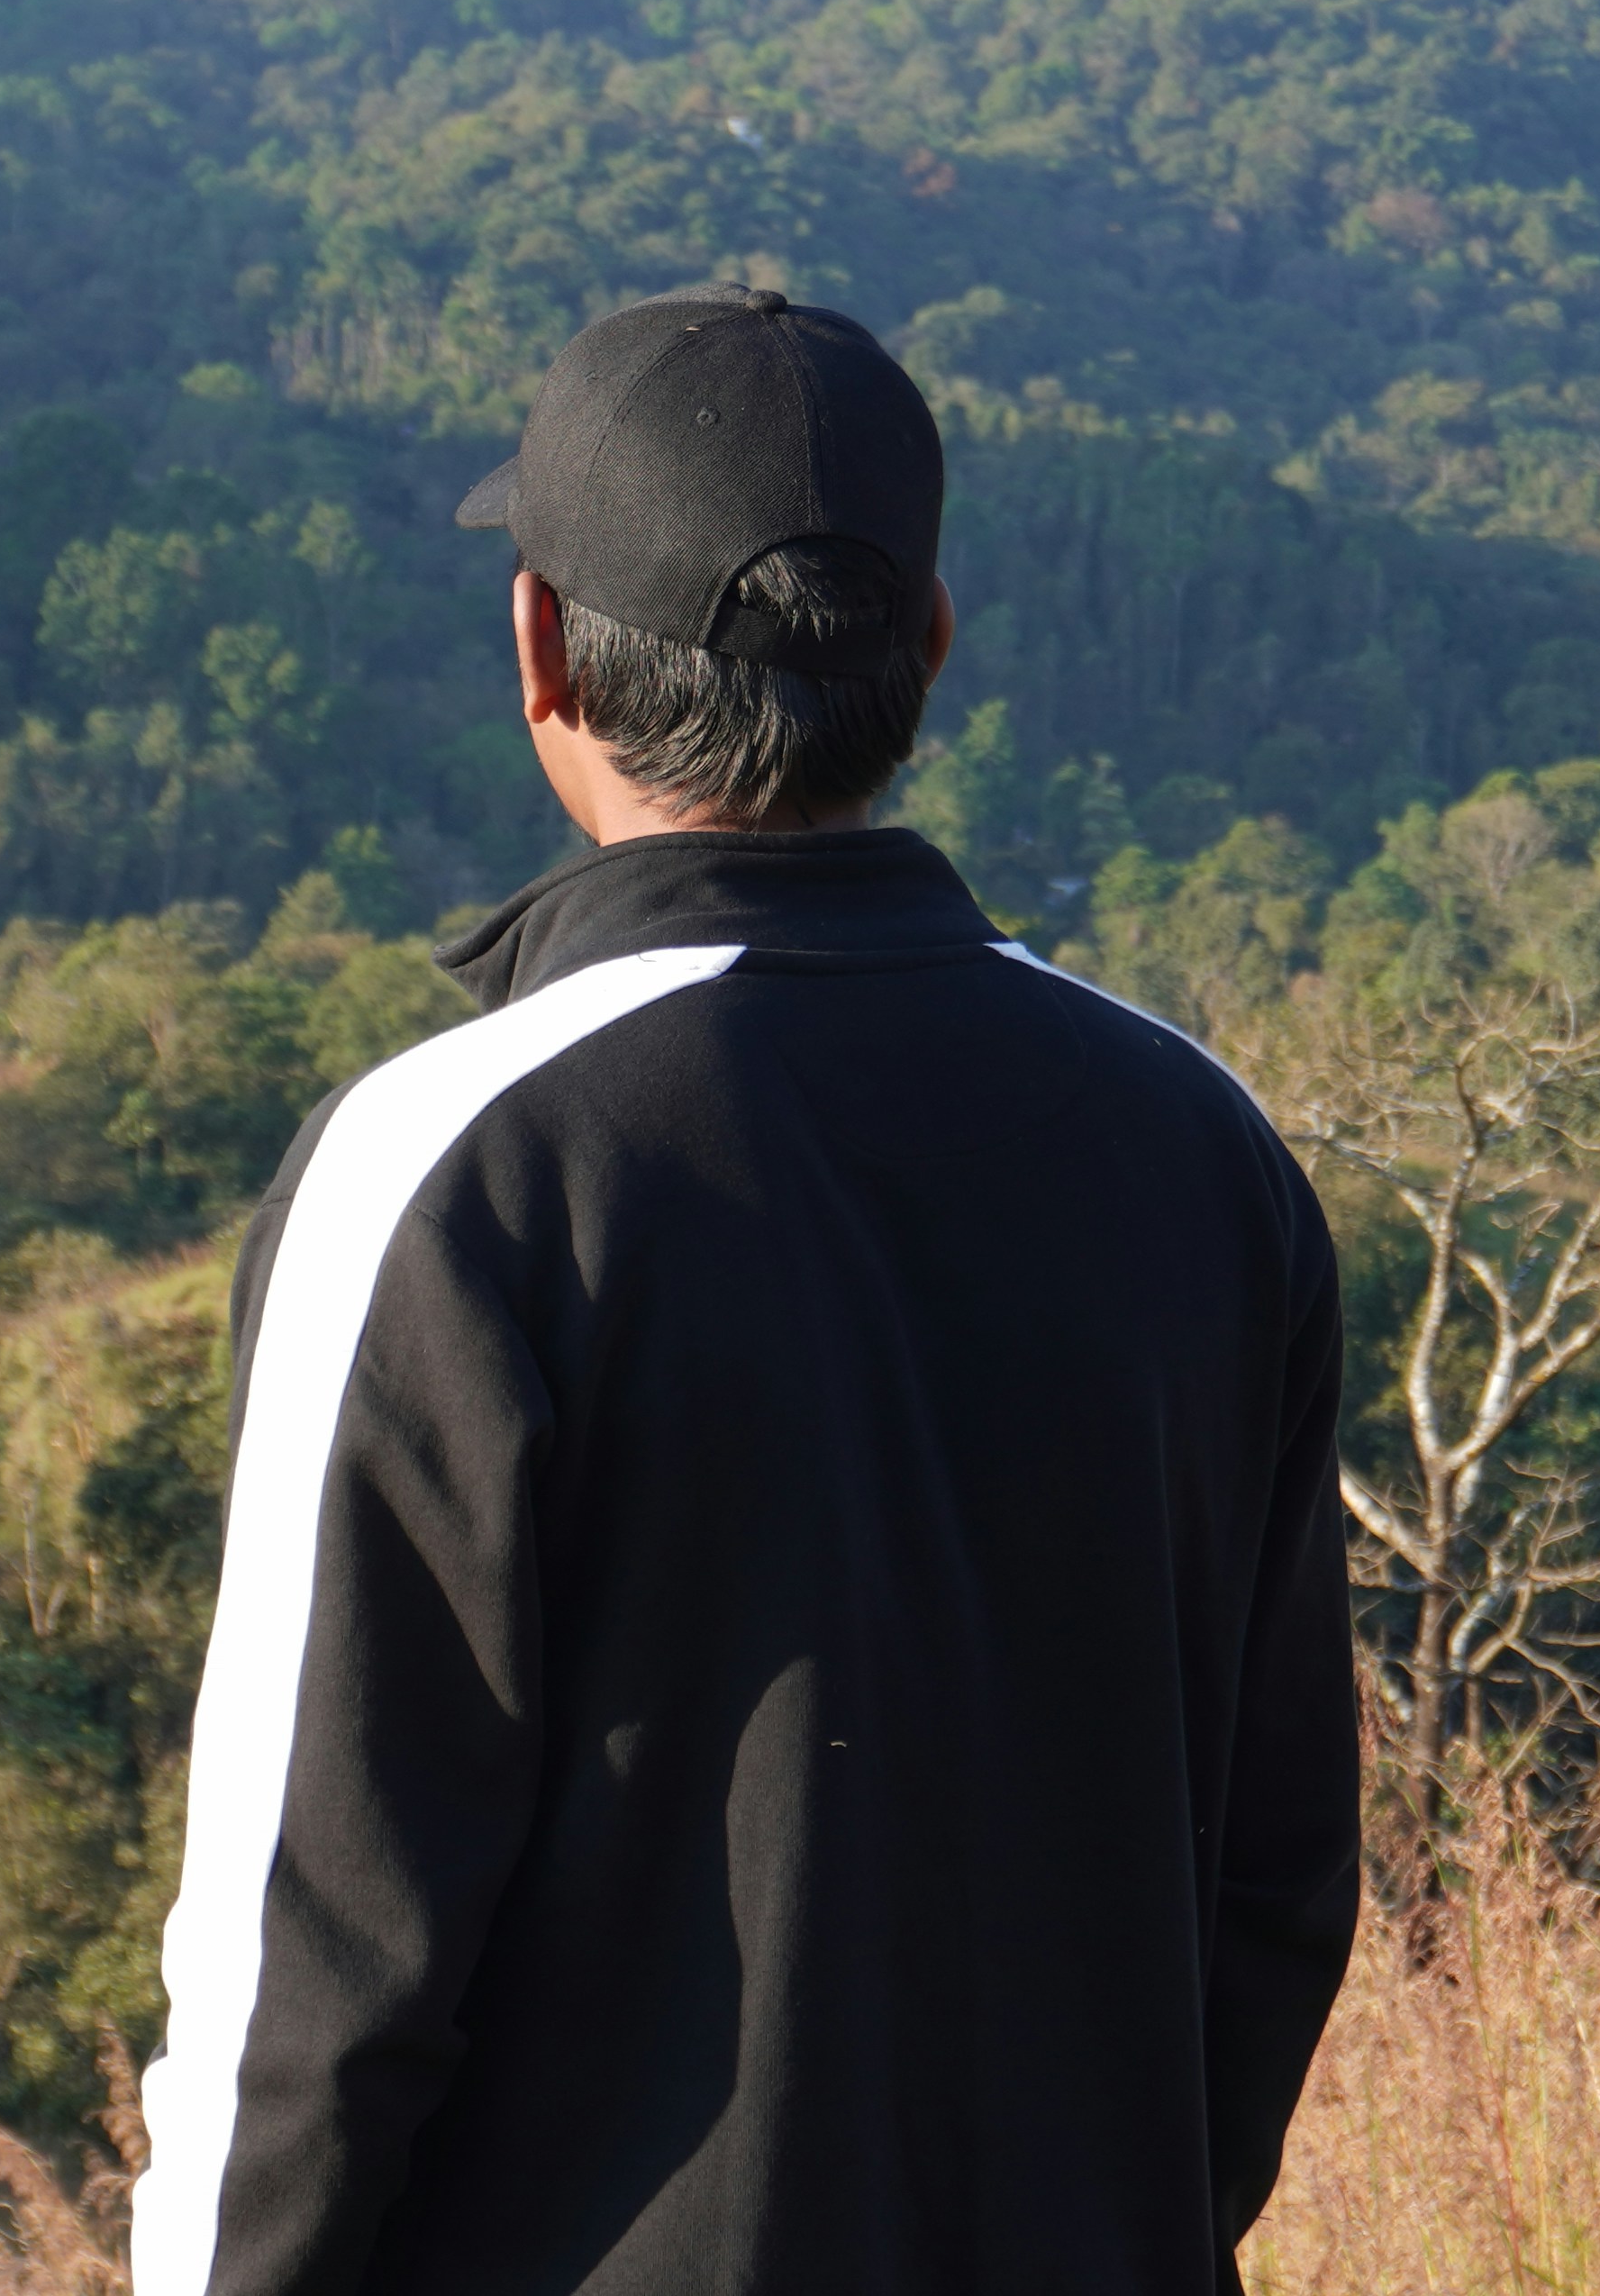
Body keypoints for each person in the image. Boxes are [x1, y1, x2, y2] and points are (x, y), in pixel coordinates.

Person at [128, 284, 1361, 2296]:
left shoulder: (456, 1172)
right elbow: (1275, 1878)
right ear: (931, 647)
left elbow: (311, 1961)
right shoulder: (1199, 1148)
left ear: (540, 649)